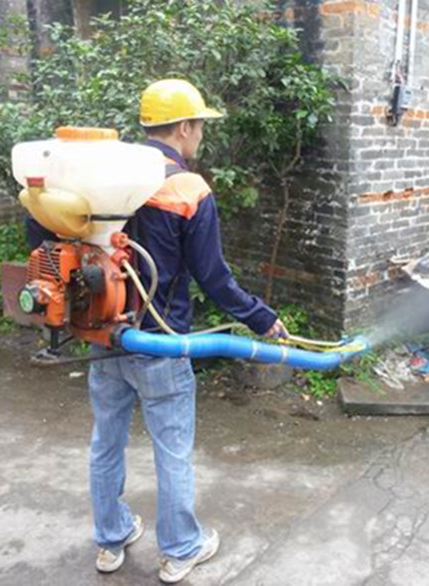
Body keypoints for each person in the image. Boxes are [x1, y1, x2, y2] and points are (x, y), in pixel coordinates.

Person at [88, 79, 288, 583]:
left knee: (106, 441)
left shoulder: (103, 175)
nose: (201, 135)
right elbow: (214, 279)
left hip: (104, 333)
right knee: (172, 450)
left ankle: (110, 540)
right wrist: (262, 318)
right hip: (160, 341)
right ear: (183, 127)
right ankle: (180, 549)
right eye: (200, 126)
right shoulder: (187, 189)